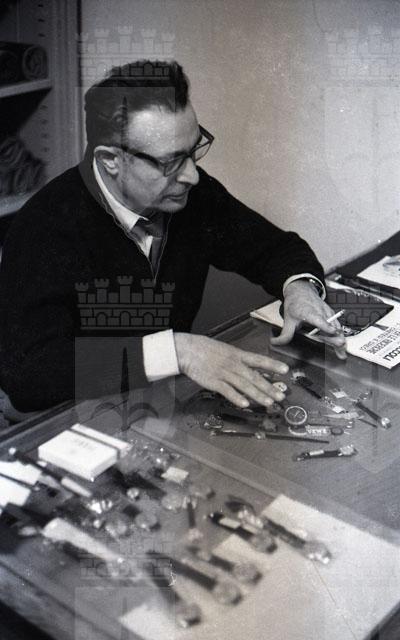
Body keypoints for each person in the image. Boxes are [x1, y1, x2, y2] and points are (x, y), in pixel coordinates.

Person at [0, 60, 345, 415]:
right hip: (69, 419)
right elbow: (28, 375)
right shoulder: (44, 227)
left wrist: (299, 289)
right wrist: (178, 352)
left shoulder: (190, 194)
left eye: (193, 150)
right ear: (110, 160)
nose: (192, 175)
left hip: (157, 405)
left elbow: (275, 249)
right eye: (171, 162)